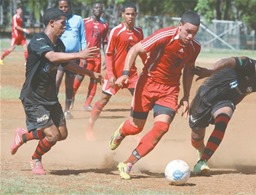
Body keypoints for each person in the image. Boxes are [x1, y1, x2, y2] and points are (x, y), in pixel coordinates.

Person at [10, 7, 103, 175]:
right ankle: (36, 159)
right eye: (62, 23)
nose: (65, 27)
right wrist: (80, 54)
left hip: (50, 97)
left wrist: (90, 73)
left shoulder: (58, 44)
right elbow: (52, 57)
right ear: (51, 23)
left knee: (62, 134)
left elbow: (66, 64)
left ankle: (23, 136)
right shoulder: (38, 40)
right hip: (33, 97)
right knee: (52, 135)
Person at [111, 11, 201, 180]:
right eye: (188, 31)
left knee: (161, 128)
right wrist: (124, 74)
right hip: (147, 84)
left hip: (169, 90)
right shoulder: (165, 35)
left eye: (194, 33)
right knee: (136, 127)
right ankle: (122, 131)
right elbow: (136, 49)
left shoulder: (195, 48)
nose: (190, 36)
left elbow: (188, 70)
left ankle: (127, 163)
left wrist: (186, 96)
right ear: (180, 25)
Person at [189, 49, 256, 175]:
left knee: (222, 123)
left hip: (224, 102)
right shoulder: (246, 63)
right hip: (205, 97)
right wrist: (210, 71)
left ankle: (202, 161)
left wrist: (231, 106)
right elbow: (227, 61)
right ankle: (201, 150)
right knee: (196, 138)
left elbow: (241, 94)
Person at [86, 2, 144, 141]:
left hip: (132, 74)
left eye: (133, 14)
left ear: (136, 15)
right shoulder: (116, 31)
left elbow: (142, 53)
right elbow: (109, 54)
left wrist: (149, 66)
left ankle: (135, 128)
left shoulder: (139, 32)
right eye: (127, 14)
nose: (130, 16)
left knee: (138, 100)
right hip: (116, 74)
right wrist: (111, 75)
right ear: (123, 15)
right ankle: (89, 126)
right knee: (104, 99)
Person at [72, 2, 109, 112]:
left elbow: (104, 42)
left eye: (100, 8)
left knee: (95, 78)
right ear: (92, 10)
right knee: (80, 76)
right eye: (96, 7)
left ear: (102, 11)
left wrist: (106, 57)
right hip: (85, 54)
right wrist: (81, 54)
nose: (98, 9)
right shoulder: (84, 22)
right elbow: (78, 38)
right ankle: (71, 99)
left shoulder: (104, 25)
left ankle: (87, 103)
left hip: (96, 56)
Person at [55, 0, 87, 119]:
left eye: (66, 6)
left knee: (69, 85)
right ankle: (53, 108)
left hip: (73, 57)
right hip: (59, 56)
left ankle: (67, 110)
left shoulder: (78, 19)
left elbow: (82, 37)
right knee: (56, 82)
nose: (64, 9)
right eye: (61, 7)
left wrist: (84, 55)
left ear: (70, 7)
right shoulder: (56, 20)